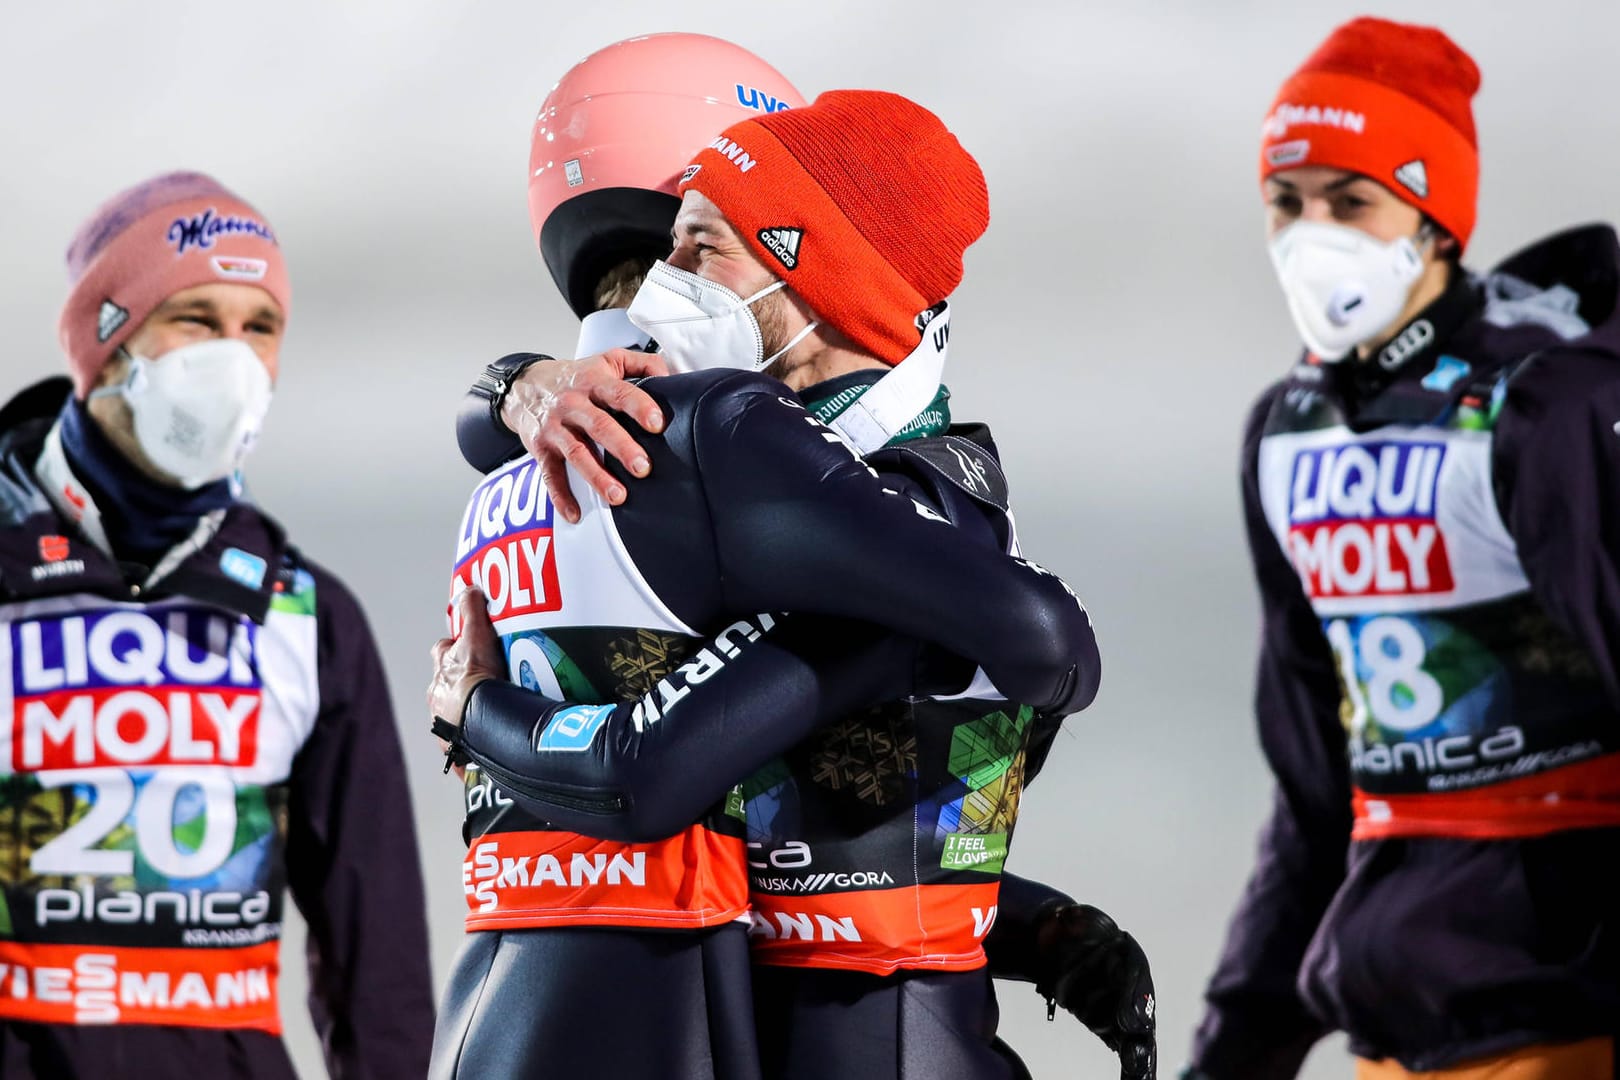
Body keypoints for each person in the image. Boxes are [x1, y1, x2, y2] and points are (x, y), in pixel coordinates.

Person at [435, 63, 1152, 1080]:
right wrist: (517, 386)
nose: (657, 292)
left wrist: (477, 710)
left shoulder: (905, 505)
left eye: (699, 247)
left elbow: (661, 779)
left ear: (807, 270)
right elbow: (792, 830)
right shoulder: (783, 495)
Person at [1184, 17, 1620, 1080]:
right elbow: (1314, 794)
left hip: (1557, 1024)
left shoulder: (1549, 408)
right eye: (1287, 202)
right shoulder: (1289, 433)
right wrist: (1232, 1056)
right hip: (1393, 1028)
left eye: (1351, 200)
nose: (1310, 234)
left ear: (1432, 219)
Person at [0, 172, 435, 1079]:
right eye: (196, 319)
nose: (232, 358)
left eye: (260, 327)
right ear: (108, 341)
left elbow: (378, 954)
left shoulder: (306, 617)